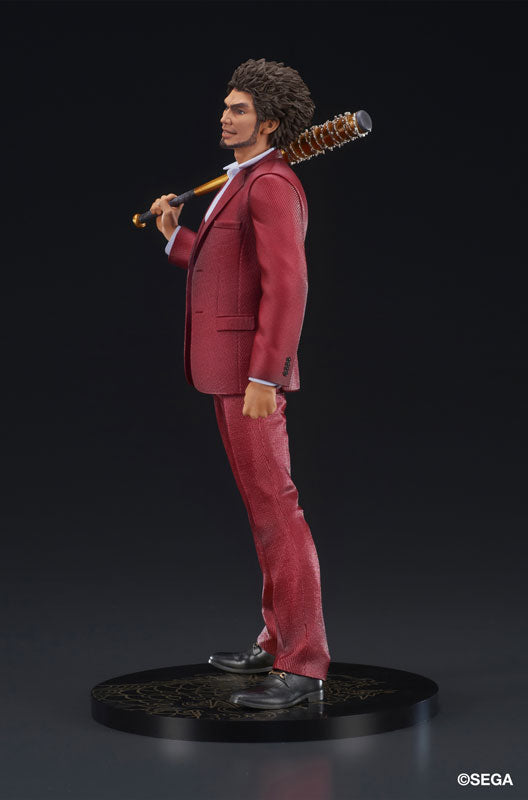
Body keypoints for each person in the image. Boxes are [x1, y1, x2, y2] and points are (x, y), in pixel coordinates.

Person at [150, 58, 330, 709]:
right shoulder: (244, 179)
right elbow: (227, 269)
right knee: (263, 514)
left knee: (278, 512)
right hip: (227, 371)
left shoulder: (272, 185)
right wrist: (175, 237)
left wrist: (265, 377)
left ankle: (303, 665)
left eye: (239, 110)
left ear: (270, 123)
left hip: (249, 376)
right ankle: (275, 637)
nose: (224, 117)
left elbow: (288, 287)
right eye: (226, 107)